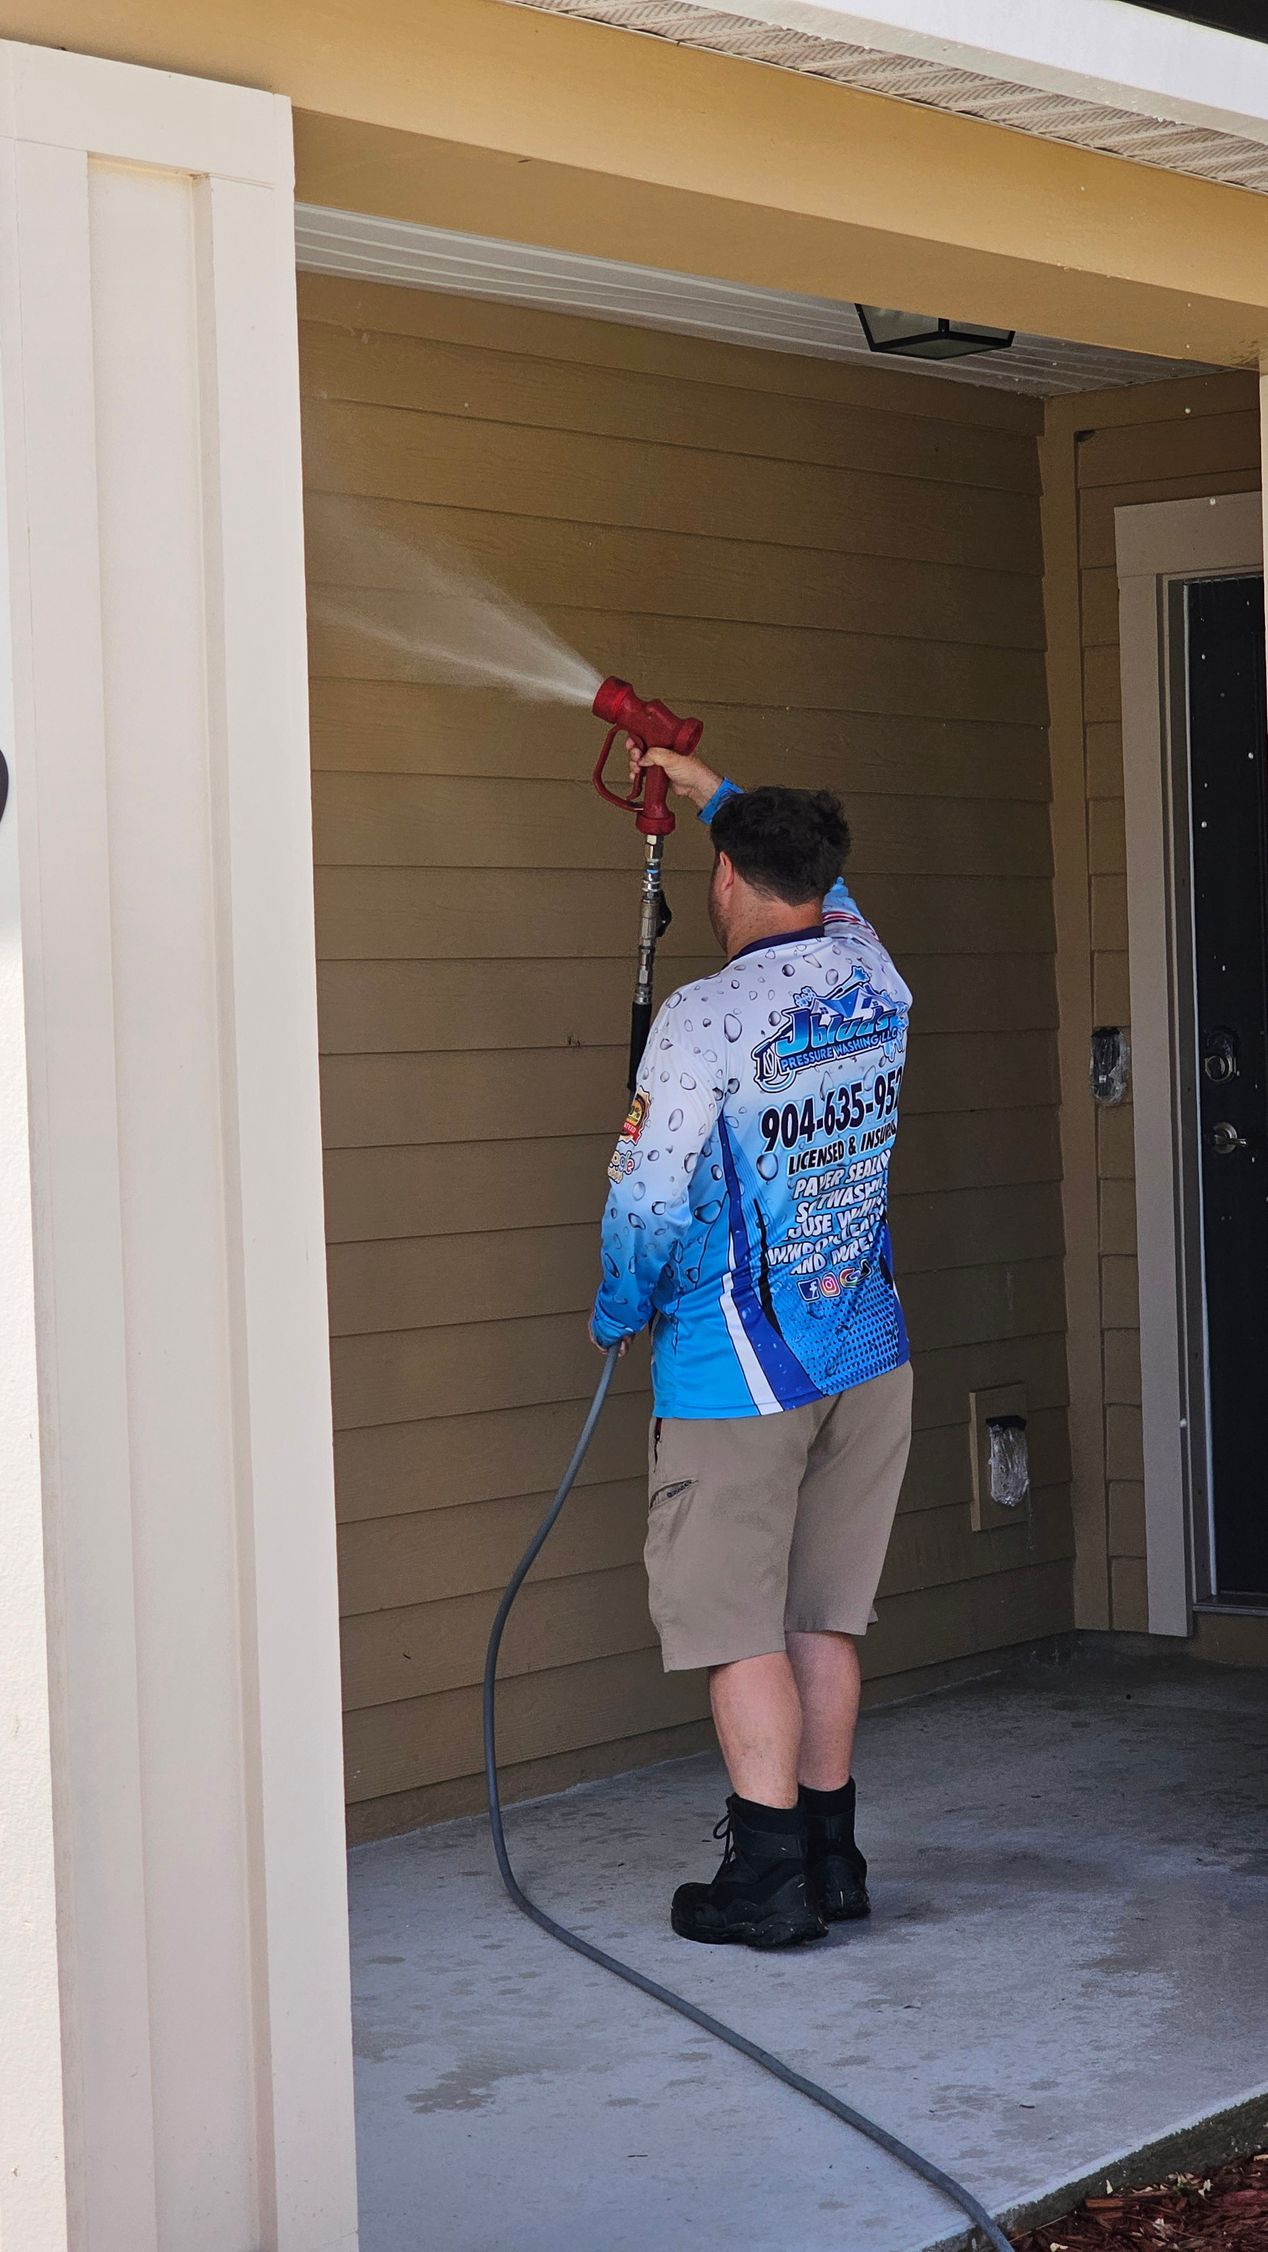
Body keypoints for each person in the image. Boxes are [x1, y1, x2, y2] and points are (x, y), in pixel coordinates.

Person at [590, 743, 913, 1950]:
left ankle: (765, 1885)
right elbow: (824, 890)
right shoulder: (870, 971)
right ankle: (832, 1863)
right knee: (822, 1615)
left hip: (737, 1374)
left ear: (721, 880)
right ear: (822, 885)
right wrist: (709, 787)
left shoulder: (701, 1017)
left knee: (734, 1622)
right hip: (866, 1353)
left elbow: (647, 1202)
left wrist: (617, 1308)